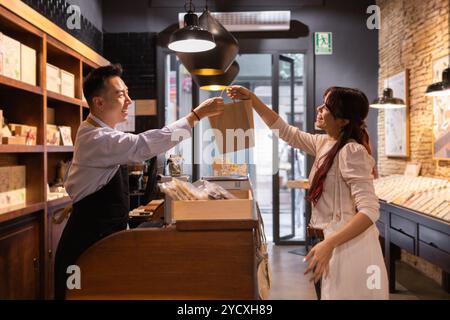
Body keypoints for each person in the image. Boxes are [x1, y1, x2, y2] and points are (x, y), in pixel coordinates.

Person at [54, 64, 223, 299]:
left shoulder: (98, 131)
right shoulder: (97, 138)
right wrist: (196, 116)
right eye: (121, 94)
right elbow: (142, 146)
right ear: (99, 102)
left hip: (100, 241)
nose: (129, 101)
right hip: (87, 246)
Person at [227, 85, 388, 300]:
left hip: (349, 247)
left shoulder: (351, 151)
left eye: (327, 106)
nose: (319, 109)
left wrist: (329, 244)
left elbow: (370, 211)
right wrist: (252, 99)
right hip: (330, 242)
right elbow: (285, 131)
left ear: (343, 120)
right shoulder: (325, 143)